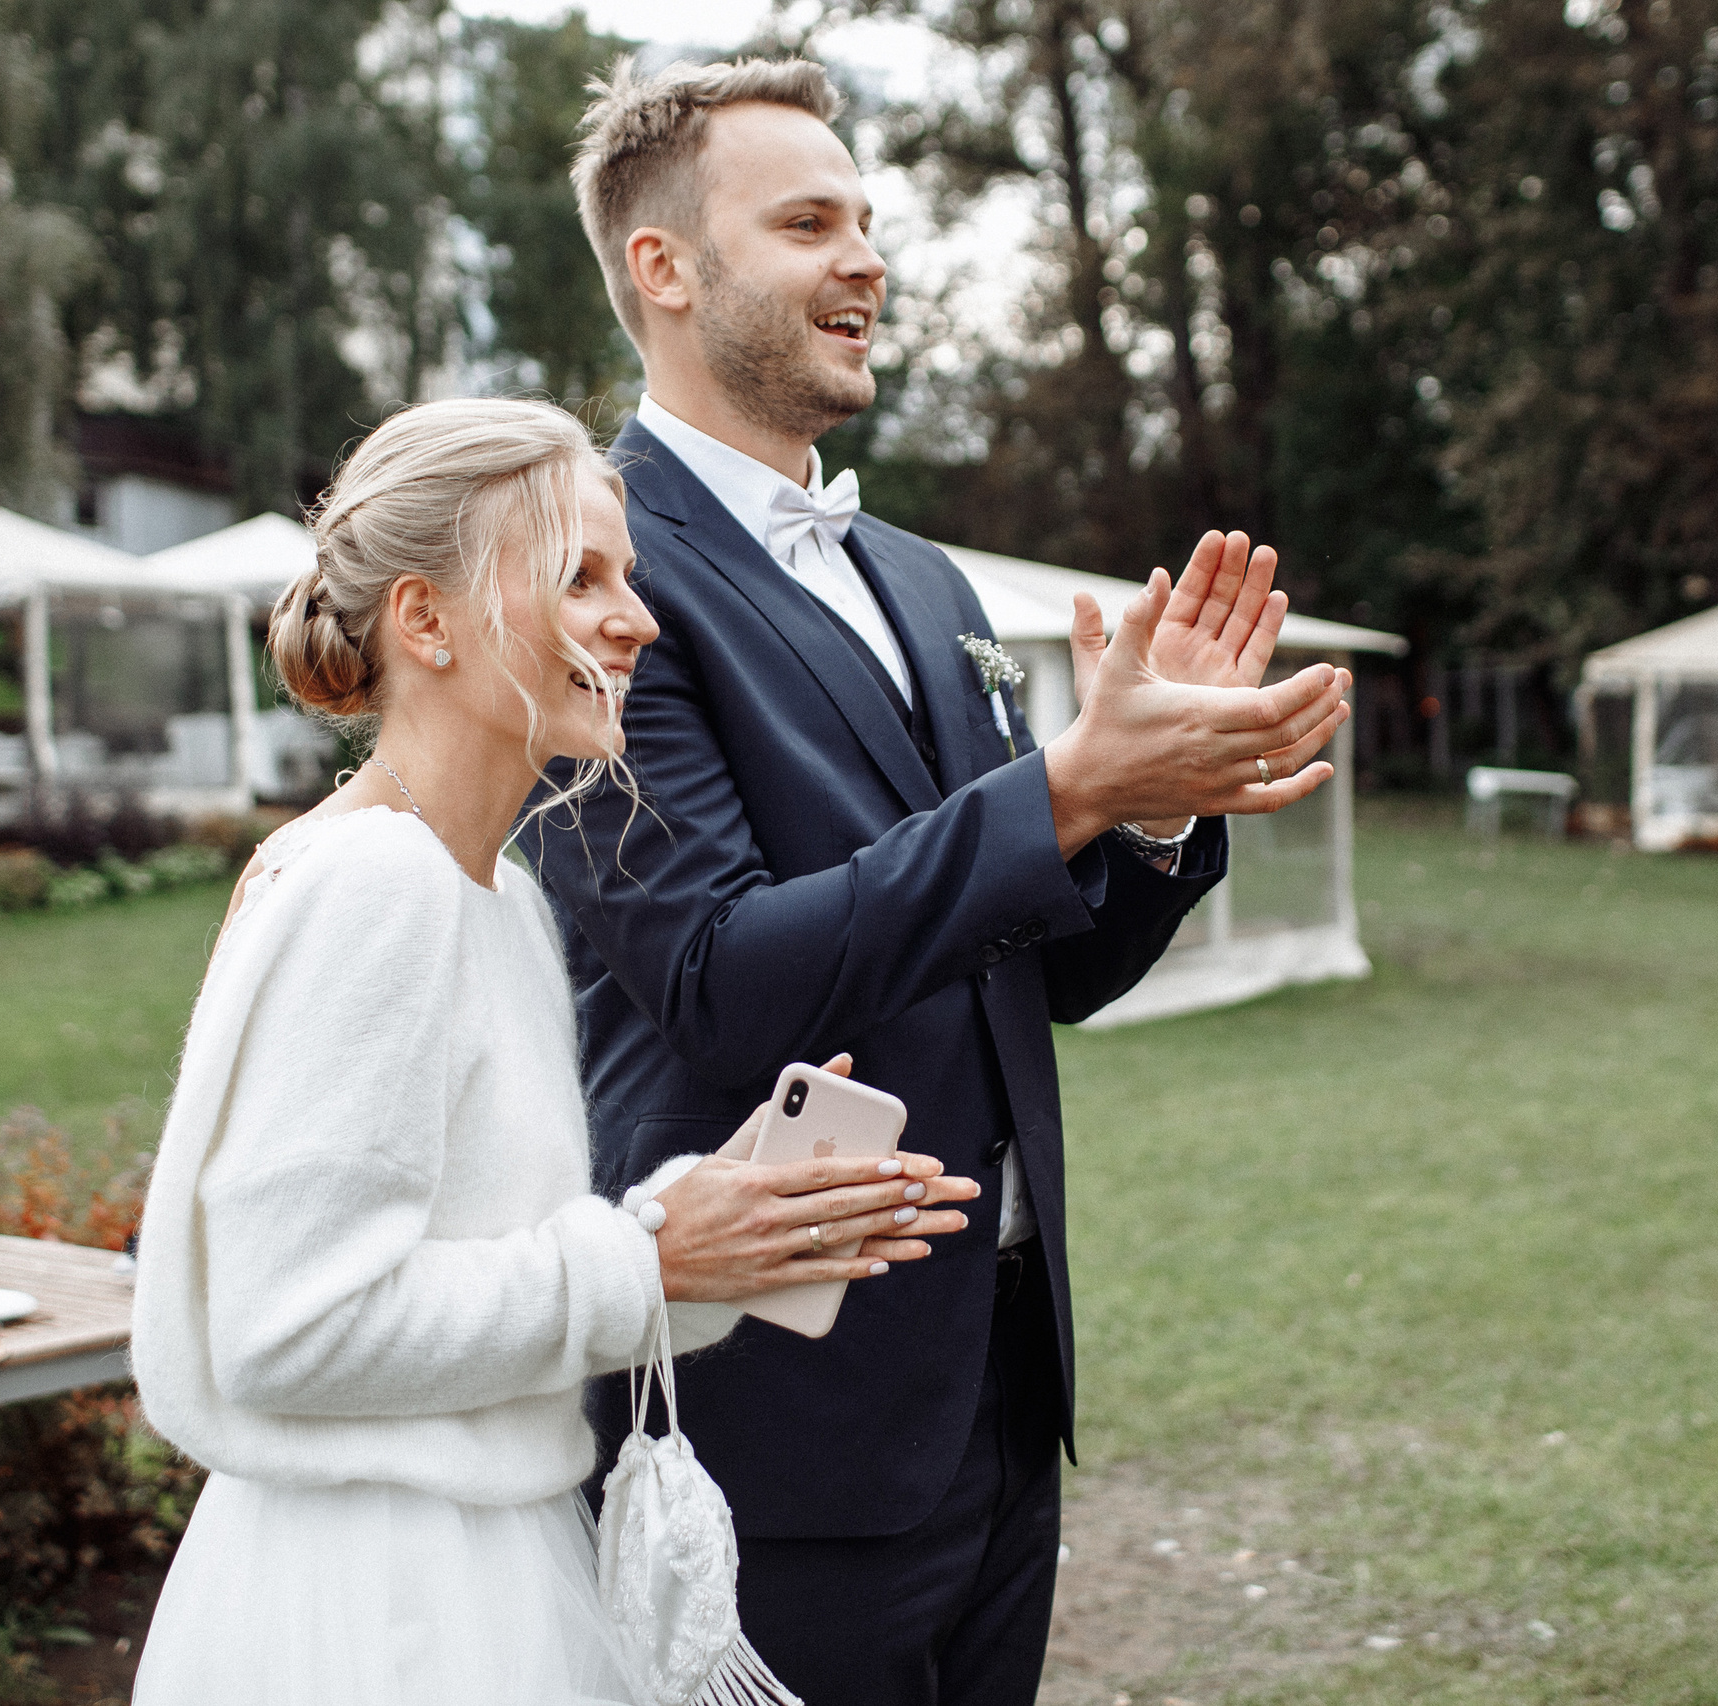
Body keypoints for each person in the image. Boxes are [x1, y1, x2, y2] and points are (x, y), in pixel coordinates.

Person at [522, 57, 1351, 1706]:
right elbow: (714, 979)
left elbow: (1030, 964)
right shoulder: (585, 573)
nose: (867, 260)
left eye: (871, 222)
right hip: (770, 1396)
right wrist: (1065, 786)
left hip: (994, 1374)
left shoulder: (917, 572)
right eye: (810, 221)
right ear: (664, 271)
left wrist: (1154, 814)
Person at [128, 397, 979, 1705]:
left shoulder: (504, 897)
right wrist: (643, 1255)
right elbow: (283, 1327)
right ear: (426, 620)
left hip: (492, 1561)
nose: (636, 618)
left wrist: (723, 1236)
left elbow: (480, 1273)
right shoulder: (374, 887)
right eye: (581, 578)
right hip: (381, 1612)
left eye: (626, 576)